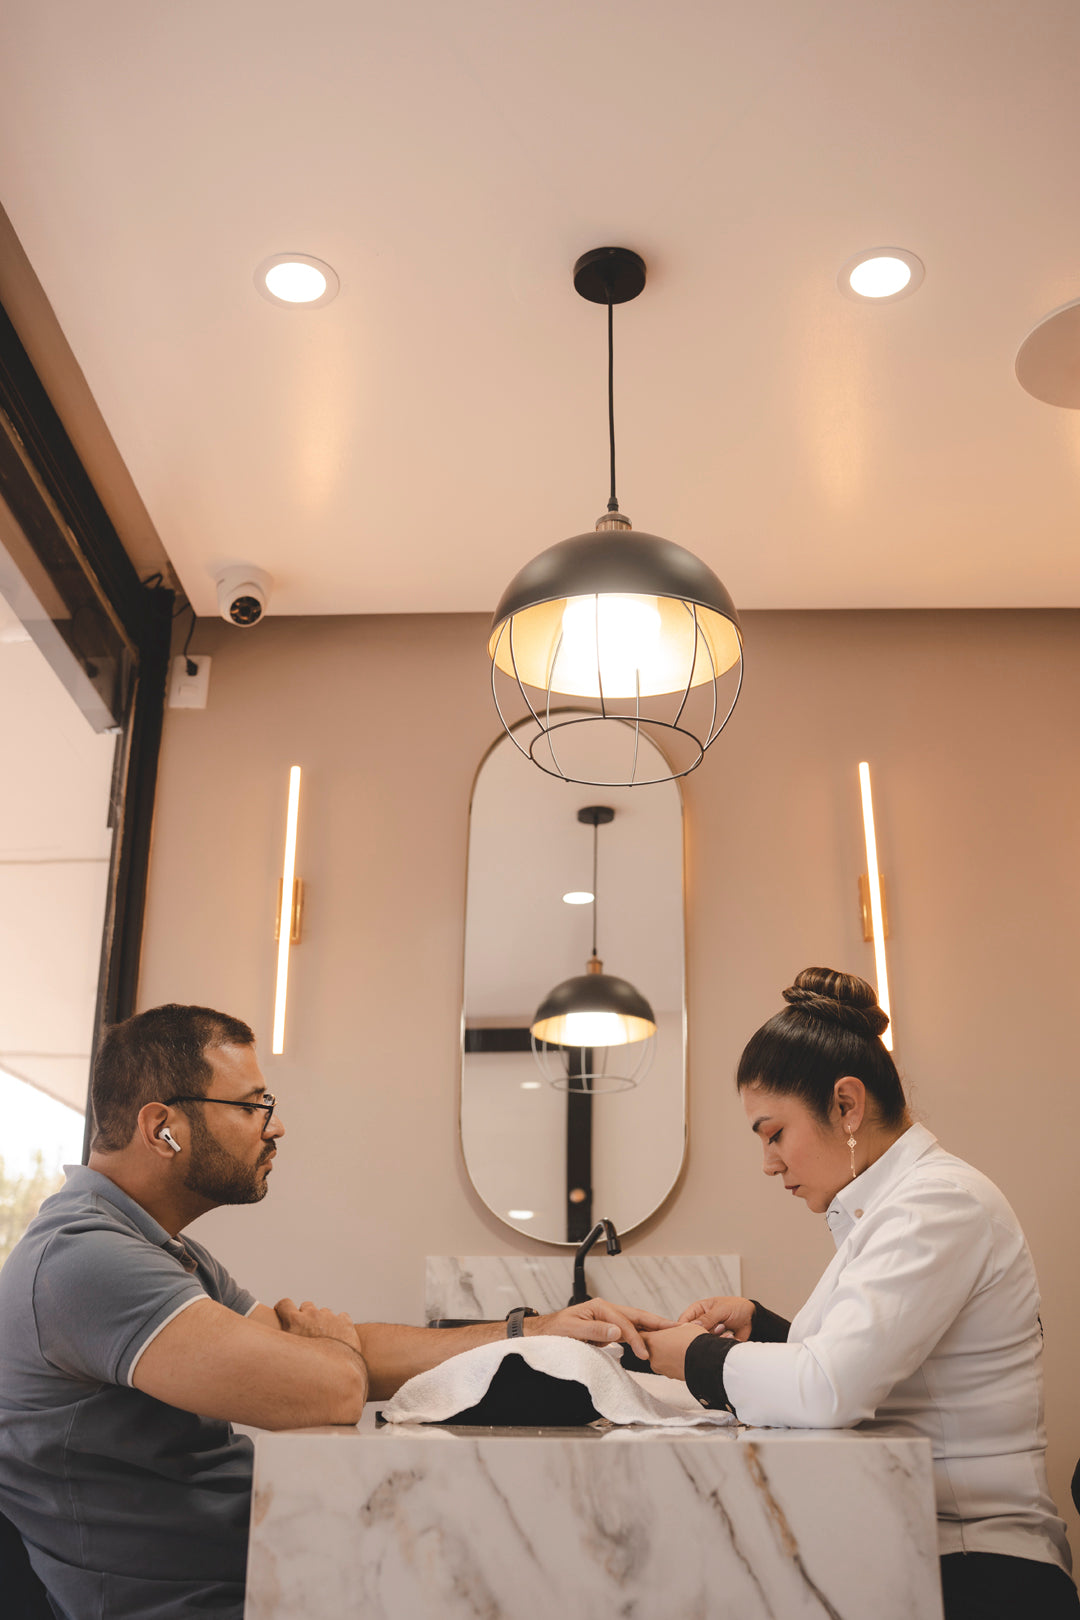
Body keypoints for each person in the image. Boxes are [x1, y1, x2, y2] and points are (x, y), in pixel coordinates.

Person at [0, 1004, 669, 1620]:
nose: (277, 1125)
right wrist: (328, 1356)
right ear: (162, 1128)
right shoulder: (83, 1262)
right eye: (252, 1104)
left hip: (271, 1572)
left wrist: (533, 1331)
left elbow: (353, 1357)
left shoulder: (161, 1252)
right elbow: (332, 1387)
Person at [641, 966, 1079, 1620]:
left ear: (846, 1105)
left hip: (979, 1570)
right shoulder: (894, 1209)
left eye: (774, 1133)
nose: (769, 1163)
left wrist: (694, 1359)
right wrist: (762, 1327)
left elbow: (830, 1390)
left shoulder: (939, 1204)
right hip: (921, 1546)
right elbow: (876, 1369)